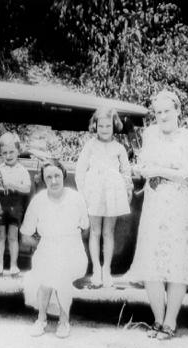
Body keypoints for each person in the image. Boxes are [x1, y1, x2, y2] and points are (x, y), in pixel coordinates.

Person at [128, 90, 188, 340]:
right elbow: (144, 167)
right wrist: (159, 170)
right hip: (155, 203)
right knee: (152, 262)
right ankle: (158, 320)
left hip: (180, 205)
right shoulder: (150, 135)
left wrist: (161, 170)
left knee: (176, 261)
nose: (162, 116)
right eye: (158, 112)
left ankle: (171, 322)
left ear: (178, 111)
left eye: (167, 111)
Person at [21, 160, 89, 339]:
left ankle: (64, 321)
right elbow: (26, 235)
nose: (53, 181)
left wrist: (66, 241)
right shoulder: (38, 201)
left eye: (57, 176)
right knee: (46, 270)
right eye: (48, 177)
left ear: (64, 175)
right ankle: (41, 319)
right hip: (47, 247)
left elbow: (85, 226)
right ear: (43, 180)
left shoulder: (76, 198)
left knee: (62, 271)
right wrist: (45, 244)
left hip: (72, 249)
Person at [75, 107, 132, 288]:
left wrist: (128, 189)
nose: (105, 129)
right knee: (94, 232)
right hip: (93, 192)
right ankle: (96, 270)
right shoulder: (90, 146)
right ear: (95, 126)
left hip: (112, 192)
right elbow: (80, 171)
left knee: (108, 233)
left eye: (108, 126)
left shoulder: (119, 148)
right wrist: (82, 193)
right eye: (101, 126)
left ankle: (106, 269)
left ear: (114, 126)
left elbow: (126, 172)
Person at [0, 132, 32, 276]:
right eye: (4, 153)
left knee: (13, 237)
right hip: (1, 207)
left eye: (11, 152)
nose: (8, 156)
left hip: (15, 207)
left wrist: (14, 185)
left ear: (18, 151)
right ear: (1, 153)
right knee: (1, 236)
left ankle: (14, 265)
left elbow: (27, 188)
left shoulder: (22, 170)